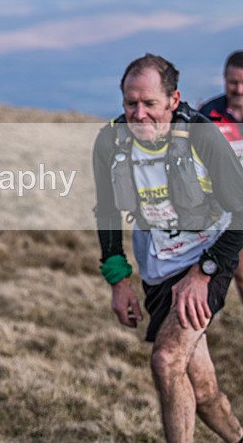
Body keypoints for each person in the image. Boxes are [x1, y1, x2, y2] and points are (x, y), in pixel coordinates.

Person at [93, 53, 243, 443]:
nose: (139, 115)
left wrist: (203, 274)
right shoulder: (110, 141)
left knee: (166, 359)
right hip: (158, 267)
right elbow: (107, 212)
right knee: (203, 387)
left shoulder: (202, 135)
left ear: (173, 100)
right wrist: (118, 281)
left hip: (209, 255)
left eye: (149, 104)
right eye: (130, 103)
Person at [199, 50, 243, 303]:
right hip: (225, 213)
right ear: (224, 79)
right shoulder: (208, 114)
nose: (238, 89)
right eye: (233, 82)